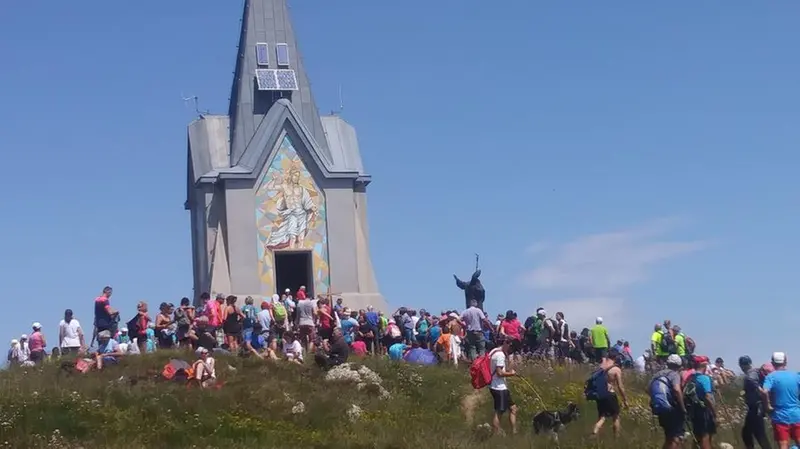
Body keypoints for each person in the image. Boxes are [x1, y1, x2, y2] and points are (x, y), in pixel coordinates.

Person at [761, 352, 800, 449]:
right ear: (785, 362)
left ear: (773, 363)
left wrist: (767, 406)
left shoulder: (770, 377)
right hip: (796, 414)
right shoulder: (796, 375)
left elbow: (764, 392)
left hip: (780, 415)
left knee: (783, 445)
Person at [649, 354, 687, 449]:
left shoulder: (658, 374)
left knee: (668, 437)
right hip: (671, 409)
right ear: (679, 366)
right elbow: (677, 390)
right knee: (675, 438)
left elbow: (647, 389)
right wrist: (683, 408)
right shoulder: (674, 374)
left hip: (660, 409)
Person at [591, 350, 628, 438]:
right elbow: (620, 386)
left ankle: (594, 432)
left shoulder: (601, 366)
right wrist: (625, 400)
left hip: (600, 394)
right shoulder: (616, 369)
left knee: (602, 417)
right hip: (610, 394)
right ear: (616, 358)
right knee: (615, 416)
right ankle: (616, 439)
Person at [740, 355, 772, 449]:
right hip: (756, 406)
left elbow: (751, 380)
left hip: (756, 407)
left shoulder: (751, 373)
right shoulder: (755, 372)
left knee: (753, 433)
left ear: (742, 365)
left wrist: (758, 389)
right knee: (754, 432)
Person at [489, 337, 517, 435]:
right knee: (499, 412)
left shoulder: (494, 351)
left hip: (499, 386)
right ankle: (495, 436)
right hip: (498, 387)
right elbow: (500, 373)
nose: (510, 351)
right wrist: (511, 374)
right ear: (506, 343)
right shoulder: (500, 355)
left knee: (513, 408)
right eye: (510, 348)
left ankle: (514, 432)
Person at [688, 356, 717, 449]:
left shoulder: (690, 378)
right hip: (704, 410)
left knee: (697, 437)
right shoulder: (704, 378)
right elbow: (708, 397)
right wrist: (714, 412)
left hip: (693, 410)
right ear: (704, 365)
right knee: (705, 436)